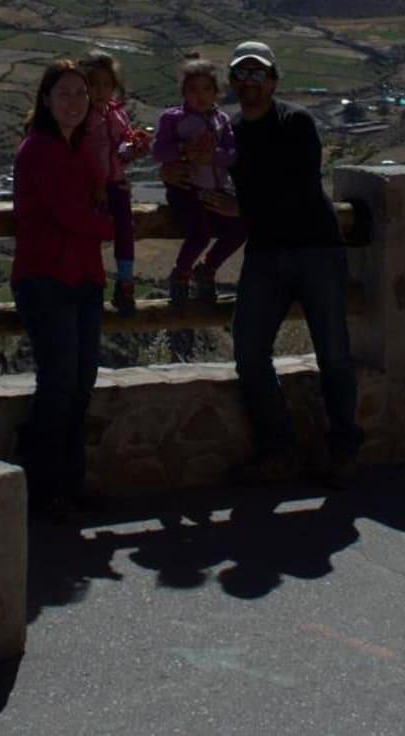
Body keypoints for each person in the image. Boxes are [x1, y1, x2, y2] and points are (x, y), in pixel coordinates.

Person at [169, 40, 363, 487]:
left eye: (258, 74)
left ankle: (345, 448)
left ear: (273, 81)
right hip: (265, 252)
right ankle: (280, 451)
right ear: (232, 83)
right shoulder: (229, 132)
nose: (249, 82)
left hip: (316, 248)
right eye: (242, 75)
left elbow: (299, 185)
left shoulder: (297, 122)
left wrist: (245, 210)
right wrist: (171, 172)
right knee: (250, 353)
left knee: (334, 353)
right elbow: (205, 172)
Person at [10, 59, 115, 521]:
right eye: (65, 93)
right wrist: (114, 228)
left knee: (80, 385)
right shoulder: (38, 150)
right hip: (47, 279)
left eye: (81, 93)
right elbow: (72, 217)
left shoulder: (79, 151)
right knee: (58, 386)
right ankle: (39, 490)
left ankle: (68, 485)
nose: (74, 101)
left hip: (84, 278)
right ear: (46, 101)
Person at [152, 56, 245, 305]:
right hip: (186, 190)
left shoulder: (222, 121)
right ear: (183, 92)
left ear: (217, 92)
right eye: (192, 89)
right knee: (200, 234)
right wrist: (184, 150)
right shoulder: (173, 119)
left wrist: (212, 156)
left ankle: (207, 268)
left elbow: (233, 155)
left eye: (206, 89)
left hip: (214, 191)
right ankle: (181, 272)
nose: (200, 95)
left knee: (240, 228)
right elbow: (159, 152)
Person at [76, 49, 148, 315]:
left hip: (116, 185)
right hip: (91, 189)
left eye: (106, 84)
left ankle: (125, 281)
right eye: (94, 84)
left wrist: (134, 148)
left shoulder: (117, 116)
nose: (100, 90)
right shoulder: (81, 117)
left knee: (125, 231)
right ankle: (91, 284)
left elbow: (119, 152)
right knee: (92, 234)